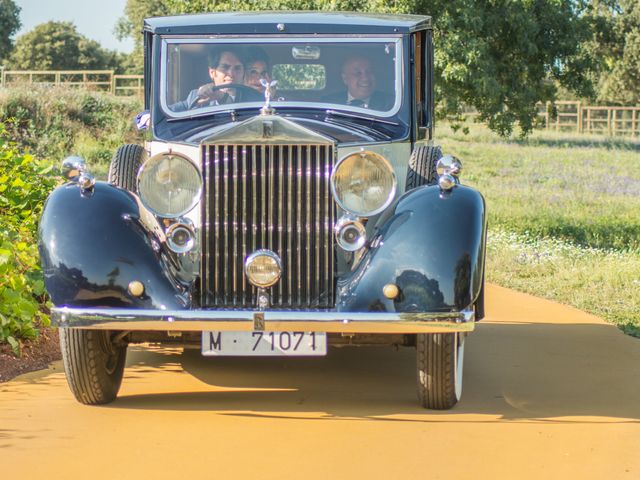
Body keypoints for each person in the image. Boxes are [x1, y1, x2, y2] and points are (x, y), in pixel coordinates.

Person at [171, 47, 262, 112]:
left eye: (237, 68)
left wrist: (223, 98)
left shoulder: (255, 99)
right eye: (225, 67)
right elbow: (166, 113)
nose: (231, 73)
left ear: (243, 72)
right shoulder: (195, 96)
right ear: (212, 72)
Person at [324, 55, 394, 110]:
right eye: (357, 73)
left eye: (369, 71)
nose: (365, 78)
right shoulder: (329, 102)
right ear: (345, 78)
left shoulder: (390, 104)